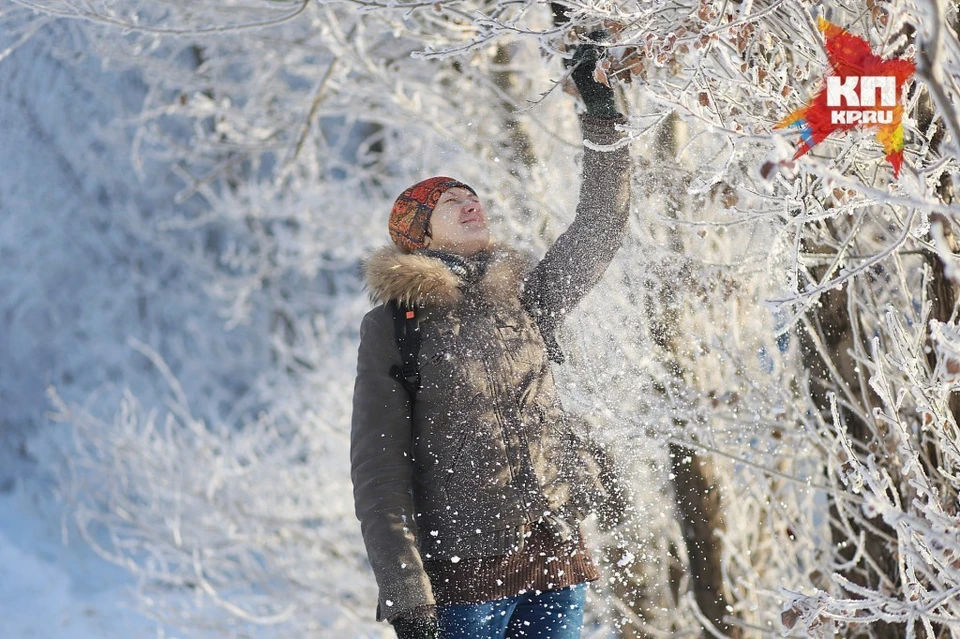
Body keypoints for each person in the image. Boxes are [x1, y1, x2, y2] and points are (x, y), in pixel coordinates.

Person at [351, 34, 632, 639]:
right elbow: (379, 469)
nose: (470, 203)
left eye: (473, 197)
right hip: (463, 578)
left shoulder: (525, 298)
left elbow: (600, 228)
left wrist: (603, 115)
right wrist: (405, 596)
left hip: (555, 552)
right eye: (451, 202)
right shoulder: (397, 327)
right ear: (419, 235)